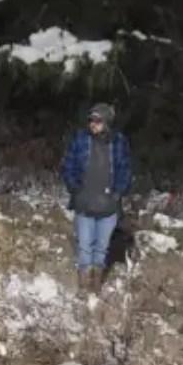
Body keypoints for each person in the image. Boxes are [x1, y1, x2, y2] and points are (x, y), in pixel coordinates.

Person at [59, 103, 132, 293]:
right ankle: (84, 284)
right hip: (84, 203)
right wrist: (74, 188)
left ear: (107, 122)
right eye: (91, 120)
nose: (93, 124)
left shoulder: (118, 142)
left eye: (98, 120)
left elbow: (125, 170)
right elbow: (68, 165)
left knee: (101, 247)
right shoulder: (81, 139)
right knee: (85, 246)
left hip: (109, 206)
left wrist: (118, 193)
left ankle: (96, 282)